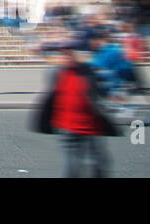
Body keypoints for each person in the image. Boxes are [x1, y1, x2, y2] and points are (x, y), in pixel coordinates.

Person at [32, 43, 119, 177]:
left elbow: (98, 91)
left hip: (91, 125)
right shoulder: (56, 72)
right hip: (67, 126)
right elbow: (51, 95)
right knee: (71, 164)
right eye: (63, 55)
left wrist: (109, 99)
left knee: (98, 162)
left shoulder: (86, 71)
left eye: (69, 54)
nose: (67, 57)